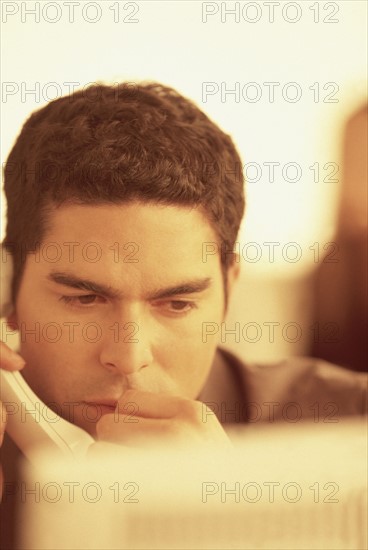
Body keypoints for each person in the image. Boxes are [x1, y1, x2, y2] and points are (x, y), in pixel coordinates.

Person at [0, 82, 366, 547]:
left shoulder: (353, 422)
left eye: (176, 304)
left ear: (229, 288)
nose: (129, 357)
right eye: (83, 299)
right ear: (8, 285)